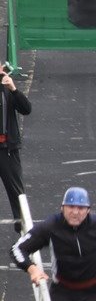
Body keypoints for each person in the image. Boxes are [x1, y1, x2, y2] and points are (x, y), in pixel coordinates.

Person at [0, 68, 32, 233]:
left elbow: (26, 109)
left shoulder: (7, 87)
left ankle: (23, 228)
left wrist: (14, 89)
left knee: (17, 193)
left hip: (7, 149)